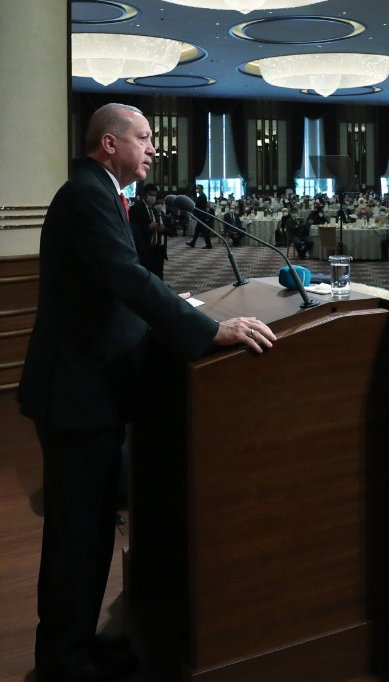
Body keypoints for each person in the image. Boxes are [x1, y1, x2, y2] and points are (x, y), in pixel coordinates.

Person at [19, 103, 277, 682]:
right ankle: (61, 663)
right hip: (76, 394)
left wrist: (176, 310)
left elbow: (115, 285)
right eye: (144, 137)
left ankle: (80, 644)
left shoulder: (101, 191)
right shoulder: (84, 195)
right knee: (75, 536)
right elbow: (126, 277)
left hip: (92, 388)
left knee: (91, 530)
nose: (154, 148)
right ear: (110, 144)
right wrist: (208, 329)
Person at [129, 183, 168, 280]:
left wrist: (160, 229)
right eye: (151, 195)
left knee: (157, 274)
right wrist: (147, 228)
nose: (153, 197)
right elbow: (132, 229)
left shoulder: (154, 209)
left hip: (157, 249)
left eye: (155, 195)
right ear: (144, 194)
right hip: (144, 248)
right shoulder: (136, 208)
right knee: (145, 276)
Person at [185, 184, 214, 248]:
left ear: (201, 189)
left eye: (198, 188)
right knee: (197, 230)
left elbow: (197, 206)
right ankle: (193, 243)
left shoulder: (202, 196)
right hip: (201, 215)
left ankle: (209, 244)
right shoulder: (202, 195)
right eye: (197, 188)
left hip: (202, 216)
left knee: (204, 231)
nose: (197, 189)